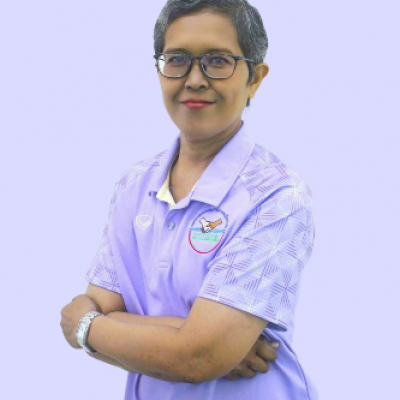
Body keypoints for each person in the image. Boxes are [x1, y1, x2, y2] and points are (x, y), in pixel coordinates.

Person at [60, 1, 318, 399]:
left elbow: (196, 357)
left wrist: (86, 328)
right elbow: (102, 307)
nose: (195, 79)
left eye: (218, 61)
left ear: (255, 78)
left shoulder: (276, 196)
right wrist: (193, 342)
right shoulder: (134, 185)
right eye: (177, 59)